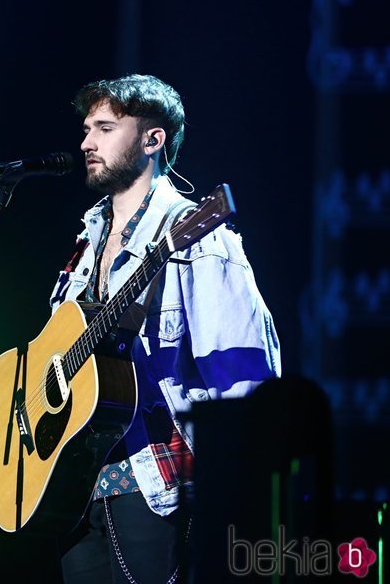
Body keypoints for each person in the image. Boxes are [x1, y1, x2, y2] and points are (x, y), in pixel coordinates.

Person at [49, 75, 281, 583]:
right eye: (87, 128)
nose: (87, 142)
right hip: (78, 490)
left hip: (157, 487)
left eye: (106, 128)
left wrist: (234, 493)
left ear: (153, 140)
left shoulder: (198, 237)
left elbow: (243, 376)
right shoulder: (85, 247)